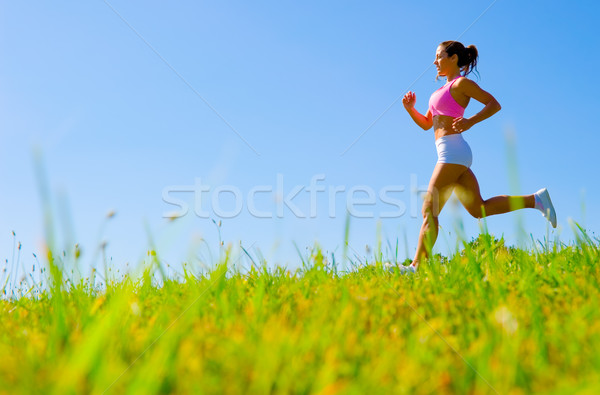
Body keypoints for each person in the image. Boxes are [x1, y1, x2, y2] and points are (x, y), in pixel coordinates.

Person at [396, 40, 556, 274]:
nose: (435, 61)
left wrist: (471, 121)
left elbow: (494, 104)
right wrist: (411, 109)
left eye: (439, 56)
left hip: (453, 152)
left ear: (453, 58)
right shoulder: (437, 92)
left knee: (429, 209)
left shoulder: (461, 84)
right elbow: (427, 124)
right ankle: (536, 200)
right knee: (478, 210)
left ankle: (417, 267)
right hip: (452, 153)